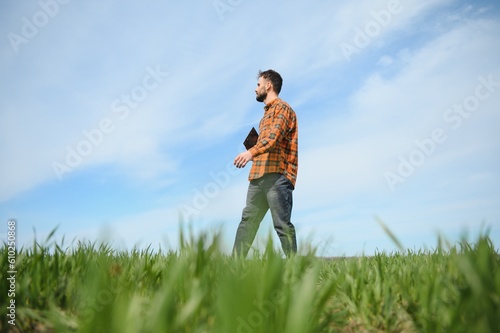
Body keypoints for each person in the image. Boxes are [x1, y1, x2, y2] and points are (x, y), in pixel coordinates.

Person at [233, 69, 298, 257]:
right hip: (257, 175)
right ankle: (234, 265)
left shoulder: (282, 109)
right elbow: (265, 142)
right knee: (247, 221)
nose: (255, 89)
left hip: (277, 175)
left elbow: (273, 139)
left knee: (282, 224)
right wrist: (253, 150)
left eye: (258, 84)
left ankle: (296, 270)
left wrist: (250, 152)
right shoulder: (265, 116)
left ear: (268, 85)